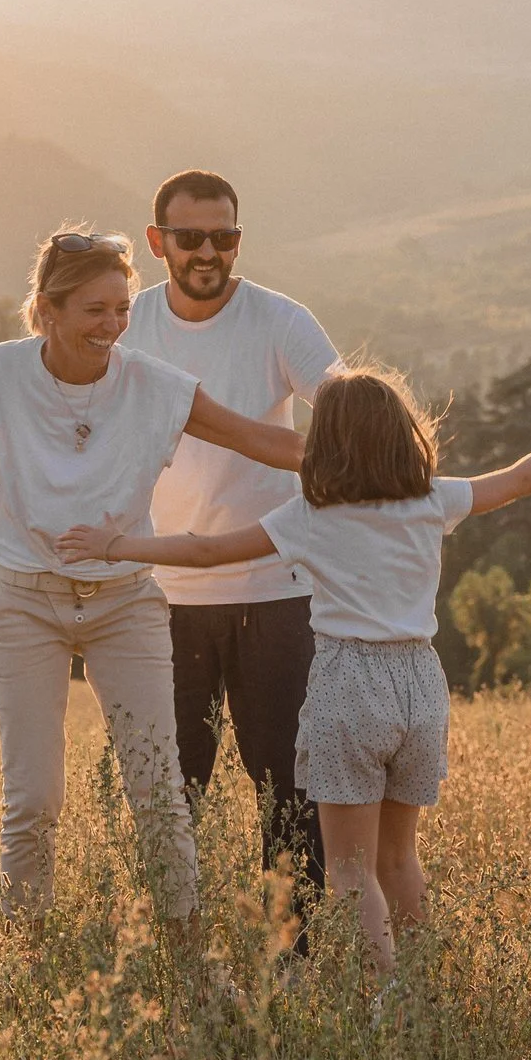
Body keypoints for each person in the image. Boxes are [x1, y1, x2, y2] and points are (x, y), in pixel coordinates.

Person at [58, 368, 531, 973]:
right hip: (421, 684)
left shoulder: (311, 517)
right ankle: (417, 991)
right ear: (400, 435)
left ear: (327, 444)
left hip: (349, 685)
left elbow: (204, 551)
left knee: (349, 870)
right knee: (399, 859)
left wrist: (115, 545)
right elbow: (519, 479)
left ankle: (386, 998)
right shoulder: (432, 501)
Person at [0, 228, 304, 922]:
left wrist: (374, 462)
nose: (112, 327)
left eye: (122, 309)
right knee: (33, 801)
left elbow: (257, 437)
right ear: (46, 310)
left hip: (126, 604)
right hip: (24, 602)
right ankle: (24, 958)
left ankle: (191, 963)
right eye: (94, 310)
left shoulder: (154, 386)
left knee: (158, 794)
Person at [119, 170, 342, 903]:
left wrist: (389, 457)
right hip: (160, 595)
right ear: (158, 243)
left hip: (274, 588)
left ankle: (294, 960)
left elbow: (342, 404)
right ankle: (168, 952)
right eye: (190, 238)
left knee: (287, 788)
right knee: (167, 788)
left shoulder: (280, 320)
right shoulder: (127, 324)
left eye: (226, 236)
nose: (209, 252)